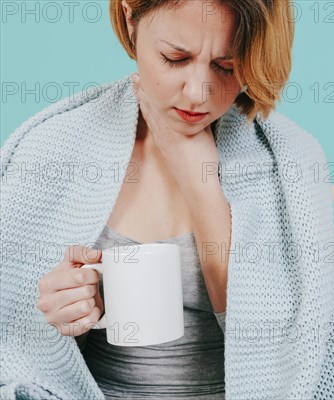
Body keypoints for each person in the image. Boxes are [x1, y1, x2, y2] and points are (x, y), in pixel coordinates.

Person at [35, 0, 293, 398]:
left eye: (227, 66)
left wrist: (200, 183)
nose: (197, 94)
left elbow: (278, 356)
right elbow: (21, 356)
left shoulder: (285, 162)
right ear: (128, 18)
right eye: (175, 58)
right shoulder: (54, 150)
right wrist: (70, 319)